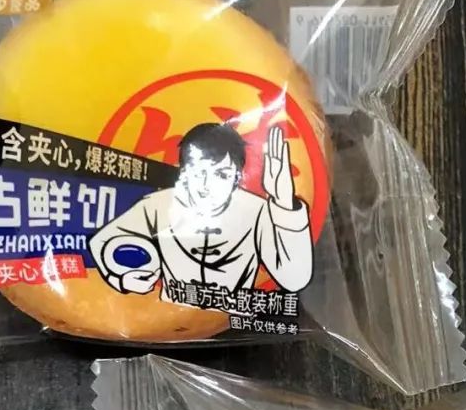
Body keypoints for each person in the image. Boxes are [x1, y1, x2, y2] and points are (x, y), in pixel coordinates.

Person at [89, 122, 313, 297]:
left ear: (237, 177)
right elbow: (102, 240)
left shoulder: (256, 212)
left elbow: (294, 279)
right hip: (169, 314)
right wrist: (120, 279)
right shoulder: (158, 205)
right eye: (198, 172)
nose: (207, 185)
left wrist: (284, 203)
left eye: (222, 174)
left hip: (232, 319)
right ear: (183, 173)